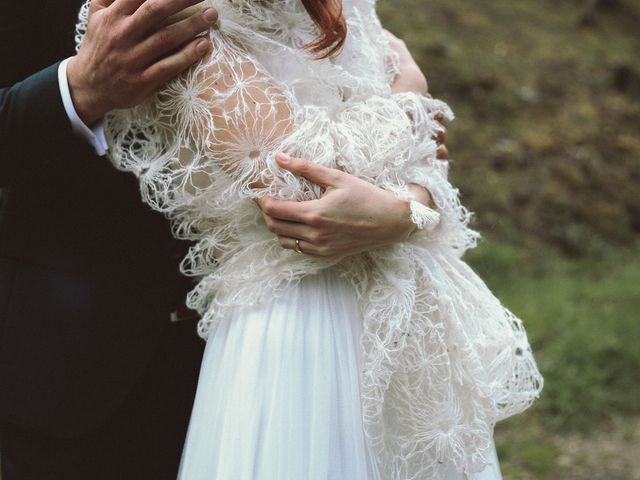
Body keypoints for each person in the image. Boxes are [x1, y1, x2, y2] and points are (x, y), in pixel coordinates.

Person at [84, 0, 543, 479]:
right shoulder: (173, 14)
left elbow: (430, 160)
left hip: (407, 318)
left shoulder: (349, 5)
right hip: (297, 326)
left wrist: (404, 210)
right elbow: (299, 183)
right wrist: (411, 98)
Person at [0, 0, 449, 478]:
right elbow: (304, 179)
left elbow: (416, 154)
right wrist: (77, 89)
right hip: (82, 354)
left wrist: (409, 208)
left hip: (318, 342)